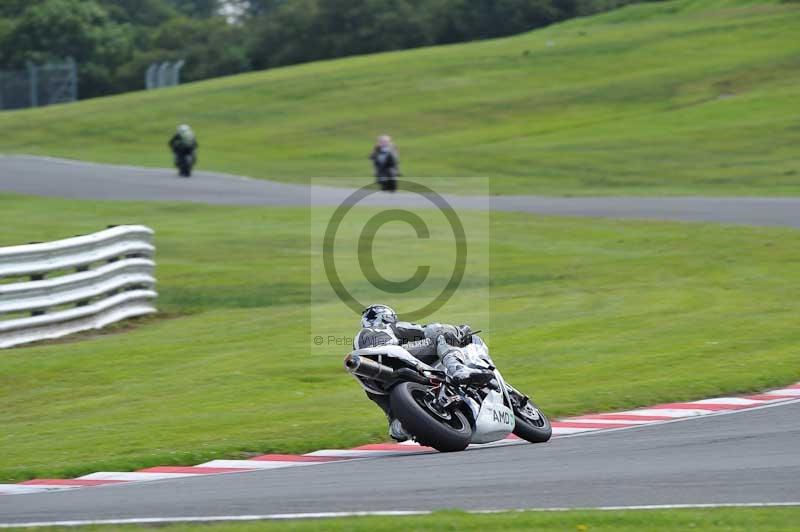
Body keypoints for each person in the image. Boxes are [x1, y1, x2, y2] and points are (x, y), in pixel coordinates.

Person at [353, 304, 493, 441]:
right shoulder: (388, 327)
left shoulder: (359, 340)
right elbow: (427, 329)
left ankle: (398, 423)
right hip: (393, 356)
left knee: (392, 417)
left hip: (372, 377)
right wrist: (458, 330)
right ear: (386, 317)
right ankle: (458, 368)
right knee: (442, 333)